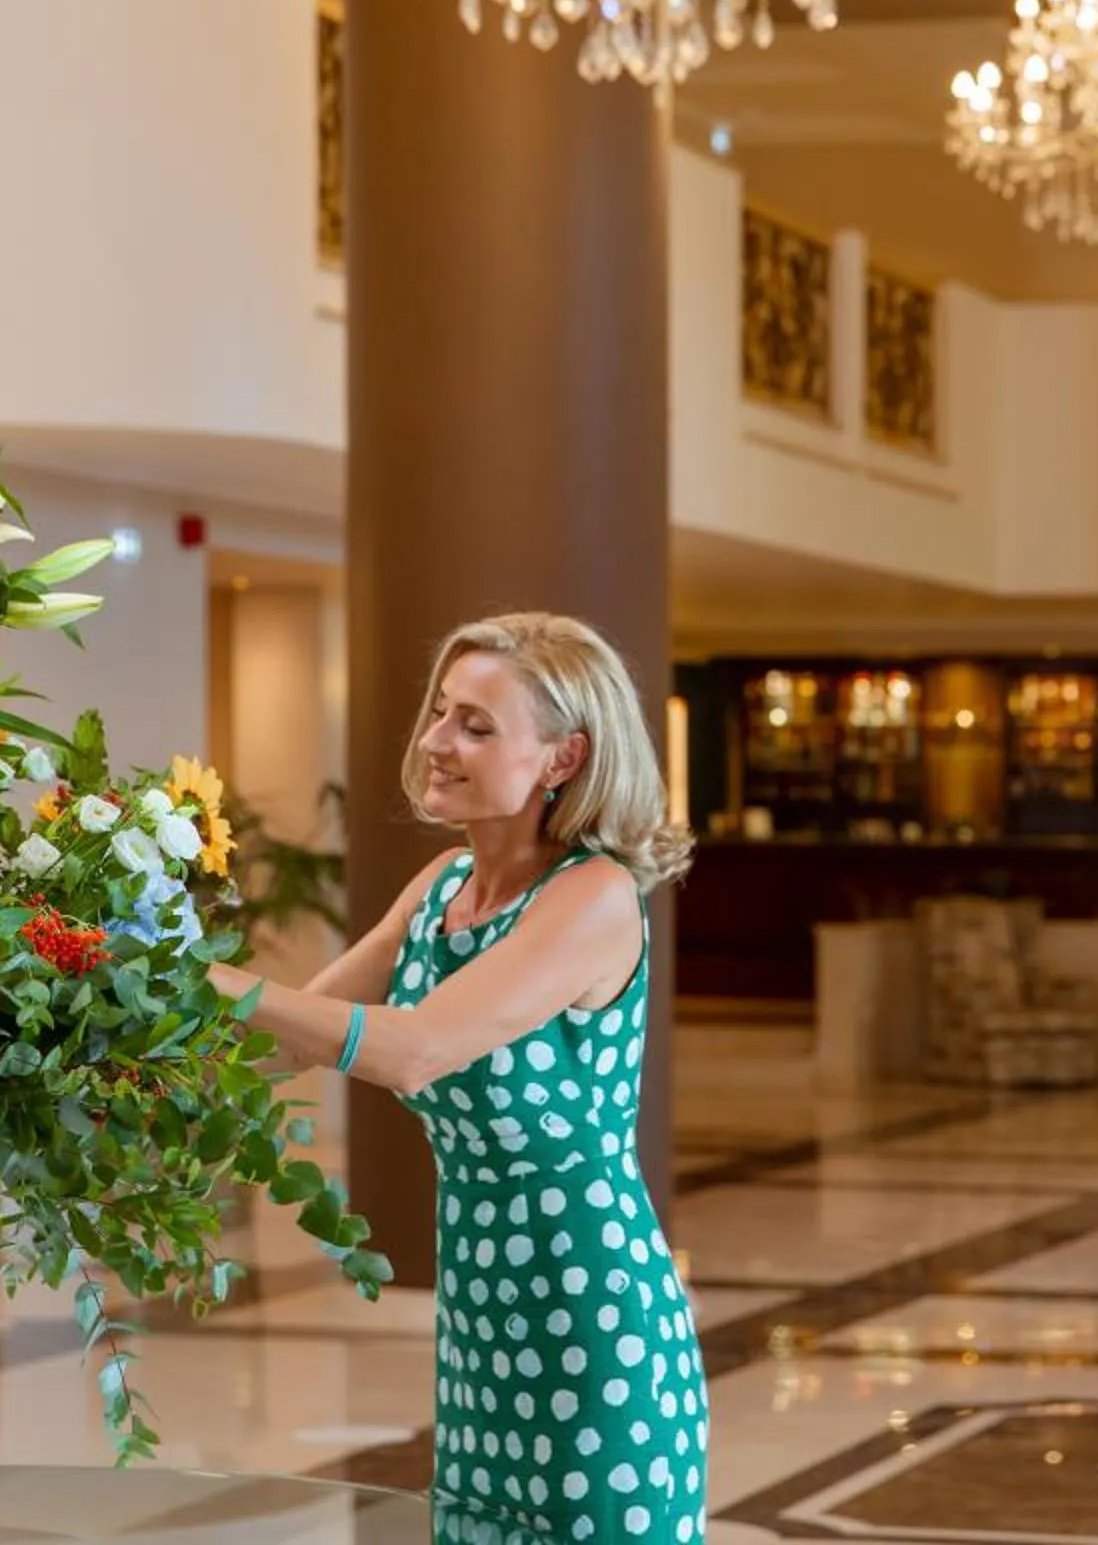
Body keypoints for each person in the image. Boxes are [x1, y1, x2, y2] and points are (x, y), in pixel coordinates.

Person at [207, 612, 707, 1543]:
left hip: (593, 1317)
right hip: (484, 1314)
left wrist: (212, 978)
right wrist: (112, 1003)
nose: (436, 741)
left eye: (477, 725)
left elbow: (417, 1048)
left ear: (563, 759)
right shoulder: (444, 885)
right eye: (443, 713)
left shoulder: (593, 896)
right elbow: (287, 1044)